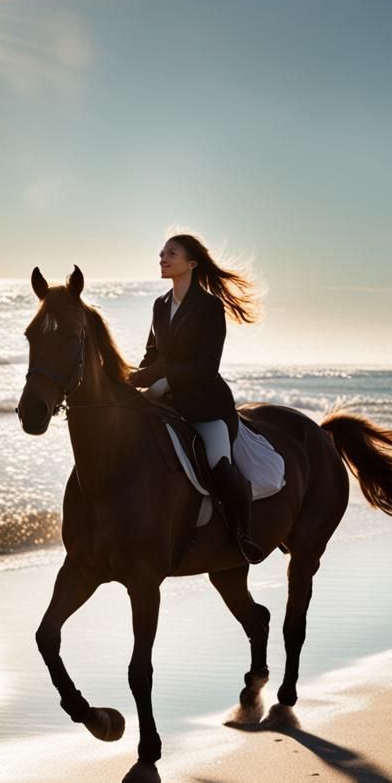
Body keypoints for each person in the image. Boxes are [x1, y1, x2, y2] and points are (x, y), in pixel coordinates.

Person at [128, 230, 264, 563]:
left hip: (205, 405)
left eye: (171, 253)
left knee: (218, 463)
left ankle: (242, 533)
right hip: (165, 399)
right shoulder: (159, 305)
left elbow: (207, 365)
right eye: (161, 253)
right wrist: (133, 379)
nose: (162, 258)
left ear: (191, 263)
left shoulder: (209, 306)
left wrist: (163, 378)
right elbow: (151, 355)